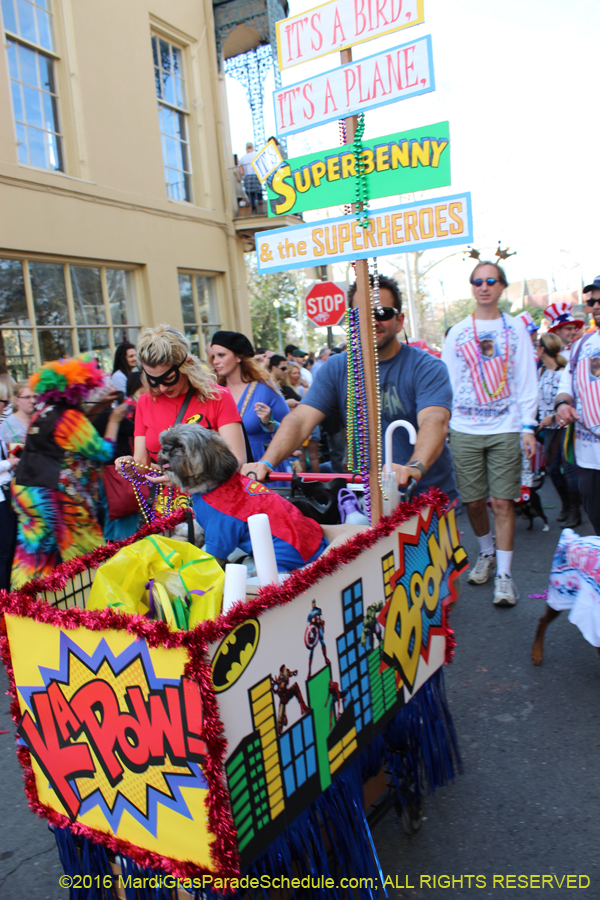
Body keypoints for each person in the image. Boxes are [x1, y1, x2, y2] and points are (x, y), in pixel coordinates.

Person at [241, 275, 458, 505]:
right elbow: (301, 419)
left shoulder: (426, 367)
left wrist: (414, 467)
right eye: (361, 314)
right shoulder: (337, 367)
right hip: (368, 498)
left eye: (381, 313)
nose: (372, 321)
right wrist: (266, 463)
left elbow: (435, 421)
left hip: (426, 497)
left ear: (400, 320)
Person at [441, 262, 538, 606]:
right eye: (478, 281)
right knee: (473, 502)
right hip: (465, 429)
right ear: (472, 287)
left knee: (502, 502)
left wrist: (528, 426)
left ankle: (505, 577)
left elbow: (527, 379)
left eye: (491, 281)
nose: (484, 287)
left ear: (501, 287)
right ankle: (486, 552)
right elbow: (447, 383)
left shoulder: (515, 330)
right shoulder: (458, 333)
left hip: (506, 426)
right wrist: (443, 425)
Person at [11, 357, 127, 588]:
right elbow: (102, 451)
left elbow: (73, 428)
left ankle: (23, 608)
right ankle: (101, 606)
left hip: (27, 492)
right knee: (88, 552)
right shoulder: (70, 418)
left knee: (34, 555)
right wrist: (113, 420)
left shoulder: (43, 412)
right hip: (56, 495)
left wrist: (98, 406)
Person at [118, 325, 246, 485]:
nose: (162, 388)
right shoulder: (145, 401)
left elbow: (236, 459)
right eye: (154, 381)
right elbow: (142, 467)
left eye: (169, 378)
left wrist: (186, 478)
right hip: (167, 506)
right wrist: (129, 465)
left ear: (187, 364)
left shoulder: (217, 396)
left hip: (210, 501)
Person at [553, 280, 600, 535]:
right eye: (592, 301)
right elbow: (566, 387)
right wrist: (562, 405)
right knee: (596, 521)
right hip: (589, 457)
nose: (596, 306)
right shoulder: (581, 346)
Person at [210, 331, 290, 474]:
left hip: (261, 468)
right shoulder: (213, 392)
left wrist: (269, 423)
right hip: (224, 470)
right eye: (213, 356)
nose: (215, 361)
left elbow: (289, 429)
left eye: (221, 355)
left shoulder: (264, 388)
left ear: (239, 357)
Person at [536, 333, 580, 526]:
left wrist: (553, 417)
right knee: (553, 470)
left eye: (538, 346)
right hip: (549, 429)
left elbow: (573, 403)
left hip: (565, 427)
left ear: (542, 349)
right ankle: (565, 505)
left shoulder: (563, 374)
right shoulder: (542, 372)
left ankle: (575, 511)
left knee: (569, 470)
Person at [0, 382, 19, 590]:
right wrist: (9, 464)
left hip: (6, 496)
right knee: (4, 554)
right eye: (4, 402)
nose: (5, 407)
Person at [284, 362, 320, 472]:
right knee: (305, 457)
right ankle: (310, 484)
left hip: (306, 425)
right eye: (294, 373)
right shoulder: (289, 389)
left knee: (307, 457)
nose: (297, 375)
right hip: (308, 423)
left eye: (298, 373)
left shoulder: (296, 390)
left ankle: (309, 484)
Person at [238, 142, 262, 214]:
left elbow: (242, 172)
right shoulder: (256, 155)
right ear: (252, 147)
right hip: (255, 176)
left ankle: (252, 210)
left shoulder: (242, 158)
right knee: (258, 194)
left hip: (247, 177)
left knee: (250, 195)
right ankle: (260, 210)